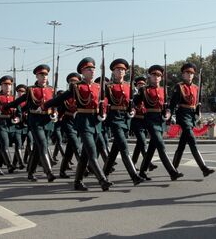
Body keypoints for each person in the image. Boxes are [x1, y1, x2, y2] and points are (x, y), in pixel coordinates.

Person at [44, 57, 112, 191]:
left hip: (96, 122)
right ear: (82, 71)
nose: (92, 71)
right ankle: (103, 180)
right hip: (83, 122)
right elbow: (61, 99)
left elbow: (104, 102)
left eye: (93, 69)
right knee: (92, 153)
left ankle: (77, 182)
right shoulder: (77, 87)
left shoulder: (99, 86)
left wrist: (103, 113)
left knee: (85, 155)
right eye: (88, 69)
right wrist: (45, 105)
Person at [5, 65, 56, 182]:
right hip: (35, 120)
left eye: (46, 75)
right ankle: (49, 172)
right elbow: (19, 101)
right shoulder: (31, 90)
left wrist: (55, 114)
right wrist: (6, 107)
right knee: (43, 144)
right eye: (42, 75)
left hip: (48, 121)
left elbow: (55, 104)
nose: (44, 77)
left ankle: (31, 172)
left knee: (38, 148)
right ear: (37, 76)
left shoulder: (51, 89)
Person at [134, 65, 183, 181]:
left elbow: (169, 107)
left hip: (160, 120)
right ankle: (172, 172)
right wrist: (132, 106)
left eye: (159, 76)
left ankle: (142, 172)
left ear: (161, 78)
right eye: (154, 75)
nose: (156, 77)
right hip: (150, 119)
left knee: (152, 147)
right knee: (161, 146)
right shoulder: (143, 90)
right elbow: (134, 103)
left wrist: (168, 113)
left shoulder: (164, 90)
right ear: (149, 76)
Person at [102, 58, 144, 185]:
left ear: (125, 72)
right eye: (117, 69)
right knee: (124, 147)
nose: (120, 71)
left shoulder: (129, 86)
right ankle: (134, 176)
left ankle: (103, 174)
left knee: (116, 148)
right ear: (113, 72)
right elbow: (103, 102)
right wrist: (103, 113)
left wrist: (132, 111)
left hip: (125, 119)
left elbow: (132, 103)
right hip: (114, 118)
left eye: (122, 70)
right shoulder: (107, 86)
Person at [170, 62, 215, 177]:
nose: (189, 75)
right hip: (183, 116)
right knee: (192, 141)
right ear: (183, 74)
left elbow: (196, 103)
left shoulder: (196, 88)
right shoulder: (179, 87)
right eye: (187, 73)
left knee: (182, 144)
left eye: (191, 73)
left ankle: (173, 169)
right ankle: (204, 168)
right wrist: (172, 116)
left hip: (191, 117)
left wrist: (198, 112)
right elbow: (172, 104)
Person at [56, 72, 82, 179]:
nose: (73, 83)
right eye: (71, 81)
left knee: (70, 149)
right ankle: (84, 168)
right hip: (68, 122)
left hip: (79, 122)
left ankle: (62, 171)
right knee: (76, 145)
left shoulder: (82, 94)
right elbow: (59, 110)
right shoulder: (64, 96)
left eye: (75, 81)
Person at [130, 76, 157, 171]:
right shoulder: (133, 95)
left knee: (139, 144)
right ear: (136, 86)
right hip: (136, 121)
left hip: (145, 120)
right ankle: (148, 163)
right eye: (139, 85)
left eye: (143, 84)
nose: (141, 86)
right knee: (142, 142)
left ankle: (132, 162)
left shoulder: (146, 93)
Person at [11, 84, 28, 170]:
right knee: (18, 144)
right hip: (16, 126)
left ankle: (14, 164)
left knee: (21, 145)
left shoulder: (28, 102)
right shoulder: (14, 102)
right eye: (19, 91)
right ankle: (21, 163)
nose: (21, 93)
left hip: (25, 127)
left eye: (23, 91)